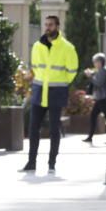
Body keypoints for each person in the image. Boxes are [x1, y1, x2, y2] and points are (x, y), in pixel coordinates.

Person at [22, 15, 78, 173]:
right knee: (33, 128)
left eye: (51, 25)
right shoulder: (37, 46)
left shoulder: (67, 48)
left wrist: (61, 81)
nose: (48, 27)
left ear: (58, 26)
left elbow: (72, 71)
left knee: (54, 129)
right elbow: (35, 67)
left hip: (57, 91)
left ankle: (51, 162)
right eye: (46, 24)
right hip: (39, 90)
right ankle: (31, 162)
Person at [82, 52, 106, 143]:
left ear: (100, 62)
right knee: (93, 116)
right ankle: (90, 136)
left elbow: (98, 83)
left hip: (103, 98)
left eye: (95, 62)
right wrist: (92, 74)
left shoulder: (103, 71)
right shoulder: (102, 70)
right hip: (100, 98)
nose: (94, 64)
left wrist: (90, 76)